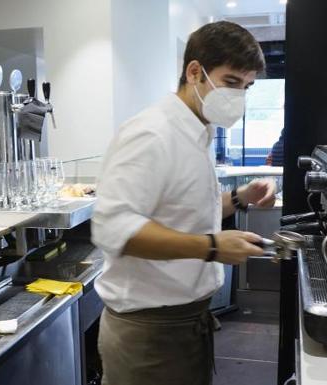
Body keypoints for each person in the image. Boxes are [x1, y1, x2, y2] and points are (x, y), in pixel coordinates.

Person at [91, 21, 276, 385]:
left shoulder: (198, 131)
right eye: (231, 83)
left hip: (187, 324)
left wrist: (240, 198)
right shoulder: (151, 133)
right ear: (195, 72)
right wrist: (210, 247)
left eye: (248, 87)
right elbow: (114, 228)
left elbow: (186, 212)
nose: (240, 96)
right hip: (149, 335)